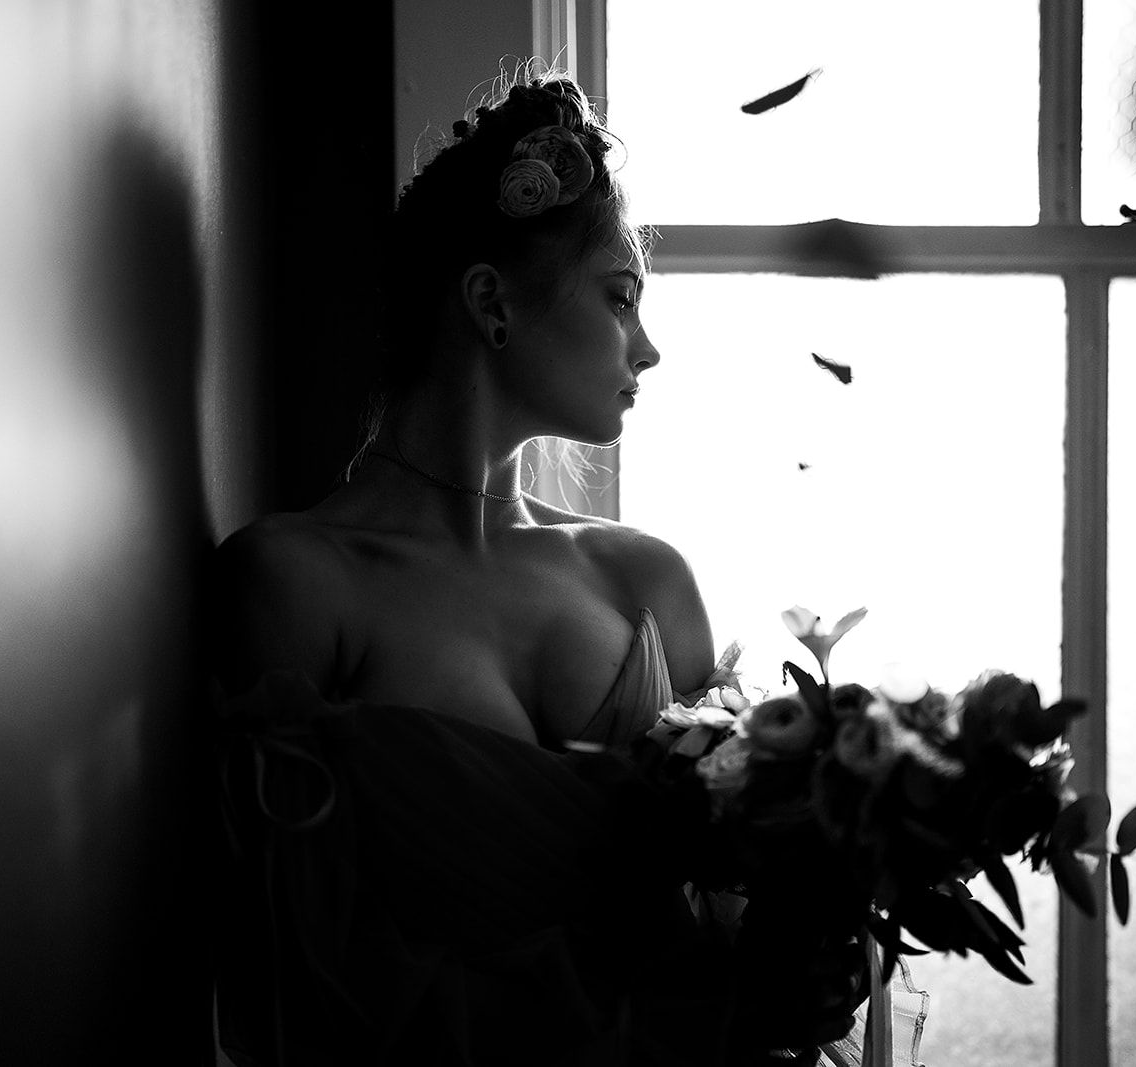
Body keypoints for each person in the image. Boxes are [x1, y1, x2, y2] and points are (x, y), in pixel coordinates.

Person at [208, 69, 863, 1067]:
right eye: (620, 299)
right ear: (491, 301)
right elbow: (282, 977)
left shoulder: (649, 583)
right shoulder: (295, 582)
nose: (648, 348)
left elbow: (730, 914)